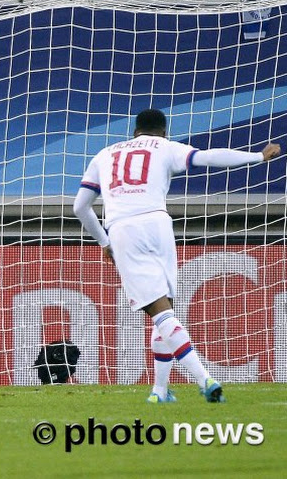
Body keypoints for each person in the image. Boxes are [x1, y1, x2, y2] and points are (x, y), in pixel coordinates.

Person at [73, 108, 280, 403]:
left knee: (160, 314)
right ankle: (159, 391)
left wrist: (105, 242)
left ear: (134, 132)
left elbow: (80, 207)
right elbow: (207, 157)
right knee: (166, 311)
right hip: (159, 224)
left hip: (124, 228)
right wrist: (257, 157)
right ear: (164, 131)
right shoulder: (166, 147)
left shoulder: (104, 154)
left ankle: (204, 378)